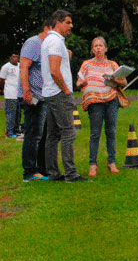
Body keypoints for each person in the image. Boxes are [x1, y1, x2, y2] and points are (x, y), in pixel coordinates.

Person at [41, 10, 83, 182]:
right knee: (69, 132)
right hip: (58, 93)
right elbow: (54, 71)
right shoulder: (55, 42)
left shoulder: (50, 41)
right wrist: (66, 90)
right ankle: (71, 174)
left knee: (52, 135)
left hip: (50, 93)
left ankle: (52, 173)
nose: (71, 26)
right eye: (68, 22)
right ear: (57, 23)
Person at [76, 37, 127, 177]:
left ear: (105, 49)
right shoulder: (86, 64)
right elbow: (78, 82)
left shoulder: (112, 65)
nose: (98, 48)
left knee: (111, 131)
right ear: (92, 49)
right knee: (95, 133)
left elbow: (123, 81)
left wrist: (113, 79)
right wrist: (83, 83)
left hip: (111, 100)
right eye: (95, 46)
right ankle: (93, 164)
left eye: (101, 46)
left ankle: (112, 162)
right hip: (94, 101)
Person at [18, 19, 53, 181]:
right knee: (33, 134)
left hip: (43, 96)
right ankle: (30, 171)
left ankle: (42, 169)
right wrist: (26, 90)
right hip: (32, 96)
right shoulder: (34, 42)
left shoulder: (48, 45)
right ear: (46, 28)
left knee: (44, 134)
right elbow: (24, 66)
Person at [2, 53, 20, 137]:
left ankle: (16, 130)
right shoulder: (6, 67)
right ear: (10, 58)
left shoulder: (20, 66)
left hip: (19, 94)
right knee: (10, 114)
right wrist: (4, 89)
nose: (15, 58)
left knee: (18, 113)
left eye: (16, 56)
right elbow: (2, 79)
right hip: (10, 94)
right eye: (13, 57)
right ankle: (9, 132)